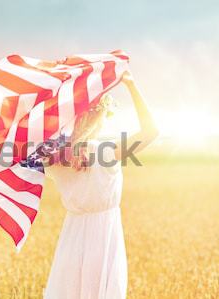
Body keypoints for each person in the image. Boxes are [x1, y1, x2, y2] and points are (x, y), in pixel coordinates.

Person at [43, 71, 159, 299]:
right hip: (104, 236)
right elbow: (151, 131)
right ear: (100, 116)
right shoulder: (106, 151)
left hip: (72, 235)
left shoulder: (55, 156)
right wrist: (132, 86)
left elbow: (22, 157)